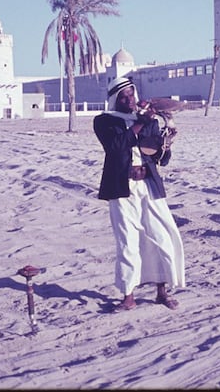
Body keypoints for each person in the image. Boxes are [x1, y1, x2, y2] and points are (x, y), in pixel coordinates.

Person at [93, 76, 185, 311]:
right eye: (123, 97)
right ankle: (128, 296)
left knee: (161, 237)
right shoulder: (104, 122)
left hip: (149, 186)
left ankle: (161, 291)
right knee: (128, 242)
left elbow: (159, 159)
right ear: (115, 99)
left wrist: (168, 142)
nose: (129, 100)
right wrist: (140, 123)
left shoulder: (148, 121)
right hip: (122, 189)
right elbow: (115, 147)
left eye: (131, 95)